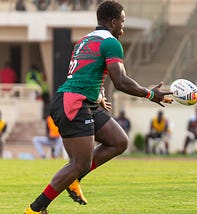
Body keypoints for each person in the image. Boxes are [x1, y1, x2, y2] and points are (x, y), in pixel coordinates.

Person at [24, 1, 172, 213]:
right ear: (113, 22)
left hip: (83, 100)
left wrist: (99, 93)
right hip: (73, 103)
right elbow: (120, 81)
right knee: (79, 163)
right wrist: (150, 94)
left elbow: (87, 73)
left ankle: (75, 179)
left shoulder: (85, 40)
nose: (123, 27)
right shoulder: (111, 43)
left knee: (118, 141)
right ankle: (35, 209)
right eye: (122, 22)